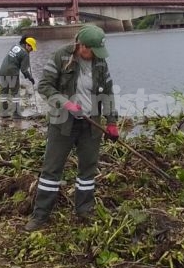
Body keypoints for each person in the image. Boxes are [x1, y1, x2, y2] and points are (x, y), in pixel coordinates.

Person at [24, 25, 118, 232]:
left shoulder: (100, 63)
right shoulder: (60, 57)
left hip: (90, 124)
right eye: (92, 50)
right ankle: (40, 216)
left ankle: (84, 210)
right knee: (51, 169)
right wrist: (65, 103)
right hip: (62, 123)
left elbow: (108, 95)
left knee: (88, 169)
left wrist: (112, 122)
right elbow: (45, 86)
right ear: (82, 46)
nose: (95, 55)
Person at [0, 36, 37, 119]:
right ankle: (16, 114)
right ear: (27, 45)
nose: (32, 50)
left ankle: (3, 112)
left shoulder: (15, 46)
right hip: (12, 72)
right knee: (15, 93)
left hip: (3, 70)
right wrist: (30, 78)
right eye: (31, 48)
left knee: (4, 91)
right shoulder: (25, 54)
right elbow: (24, 70)